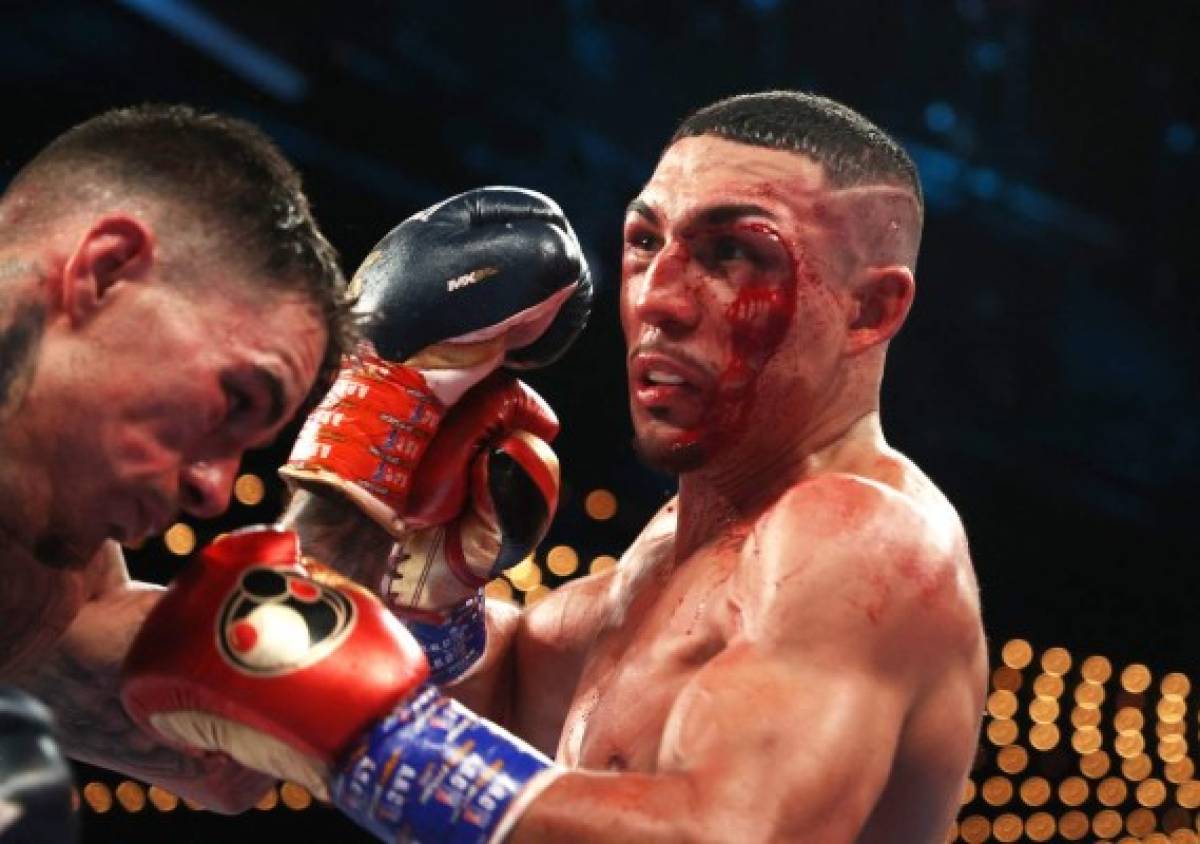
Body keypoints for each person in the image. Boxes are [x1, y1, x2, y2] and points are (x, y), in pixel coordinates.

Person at [124, 91, 986, 843]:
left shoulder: (864, 535)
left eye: (733, 253)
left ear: (872, 308)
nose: (658, 297)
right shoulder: (663, 567)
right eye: (648, 242)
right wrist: (425, 590)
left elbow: (733, 833)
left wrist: (378, 744)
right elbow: (502, 707)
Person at [0, 103, 350, 813]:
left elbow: (223, 762)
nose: (215, 489)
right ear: (105, 270)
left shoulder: (45, 576)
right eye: (232, 402)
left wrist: (370, 466)